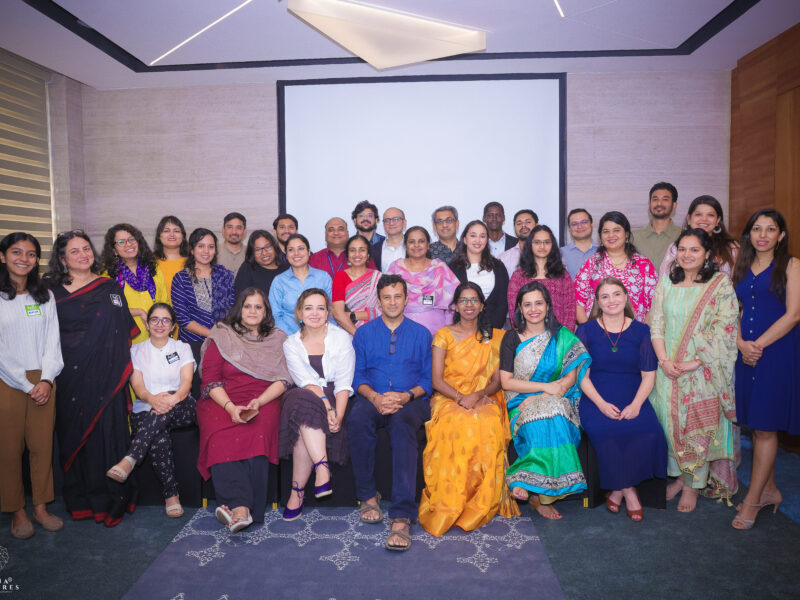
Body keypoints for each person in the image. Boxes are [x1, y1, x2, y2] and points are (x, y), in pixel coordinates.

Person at [46, 230, 138, 526]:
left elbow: (122, 330)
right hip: (68, 377)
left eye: (86, 248)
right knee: (75, 436)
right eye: (75, 251)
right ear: (62, 258)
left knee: (108, 436)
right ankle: (81, 500)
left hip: (107, 377)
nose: (83, 254)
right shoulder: (49, 290)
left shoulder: (109, 286)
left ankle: (112, 500)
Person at [418, 283, 520, 536]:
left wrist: (478, 395)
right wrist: (461, 397)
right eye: (463, 300)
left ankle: (479, 501)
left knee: (486, 422)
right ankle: (452, 500)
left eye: (474, 300)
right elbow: (437, 380)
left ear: (482, 305)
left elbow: (497, 381)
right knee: (455, 424)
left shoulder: (496, 337)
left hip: (484, 396)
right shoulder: (443, 335)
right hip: (448, 397)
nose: (469, 305)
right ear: (455, 306)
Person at [650, 229, 738, 511]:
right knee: (669, 425)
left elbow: (725, 329)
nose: (687, 255)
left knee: (696, 428)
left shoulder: (719, 284)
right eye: (682, 249)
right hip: (667, 368)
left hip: (702, 372)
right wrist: (664, 361)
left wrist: (693, 363)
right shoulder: (666, 282)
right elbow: (657, 324)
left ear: (707, 254)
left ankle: (694, 485)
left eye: (694, 250)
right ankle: (678, 478)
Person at [348, 274, 432, 551]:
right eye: (387, 297)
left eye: (398, 296)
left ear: (406, 299)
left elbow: (428, 381)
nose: (393, 302)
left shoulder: (421, 333)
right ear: (379, 301)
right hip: (373, 397)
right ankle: (368, 496)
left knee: (401, 424)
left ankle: (401, 515)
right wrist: (374, 397)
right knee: (358, 418)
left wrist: (405, 396)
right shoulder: (364, 332)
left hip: (410, 401)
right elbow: (357, 376)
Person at [198, 287, 290, 533]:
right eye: (247, 306)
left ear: (266, 311)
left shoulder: (278, 338)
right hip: (222, 398)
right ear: (239, 309)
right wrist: (229, 407)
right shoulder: (222, 334)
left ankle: (239, 508)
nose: (252, 311)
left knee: (257, 432)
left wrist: (259, 401)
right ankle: (242, 508)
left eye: (258, 306)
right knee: (220, 435)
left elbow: (284, 378)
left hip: (263, 398)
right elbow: (209, 378)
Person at [575, 278, 667, 522]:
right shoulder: (585, 330)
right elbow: (581, 376)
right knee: (606, 431)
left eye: (617, 294)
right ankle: (630, 492)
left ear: (626, 298)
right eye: (605, 296)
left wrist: (636, 405)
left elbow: (649, 375)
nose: (612, 300)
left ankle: (617, 490)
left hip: (633, 394)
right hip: (595, 396)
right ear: (597, 302)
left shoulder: (642, 331)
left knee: (650, 432)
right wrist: (601, 404)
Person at [731, 209, 799, 529]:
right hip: (746, 353)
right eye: (757, 229)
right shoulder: (742, 266)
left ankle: (753, 500)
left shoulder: (792, 265)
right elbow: (736, 309)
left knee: (766, 427)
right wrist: (742, 343)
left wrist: (758, 345)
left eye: (770, 229)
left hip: (777, 353)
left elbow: (793, 315)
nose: (763, 235)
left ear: (781, 235)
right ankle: (770, 490)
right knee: (756, 424)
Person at [500, 281, 591, 520]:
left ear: (548, 306)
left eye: (538, 303)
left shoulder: (562, 337)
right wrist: (542, 388)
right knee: (538, 421)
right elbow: (506, 382)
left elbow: (569, 379)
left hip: (556, 396)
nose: (533, 309)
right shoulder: (511, 338)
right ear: (519, 308)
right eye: (527, 304)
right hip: (519, 400)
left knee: (554, 414)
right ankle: (534, 487)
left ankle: (539, 493)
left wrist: (542, 395)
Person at [0, 233, 64, 539]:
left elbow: (53, 342)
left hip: (44, 380)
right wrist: (27, 385)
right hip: (7, 381)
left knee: (42, 446)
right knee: (9, 450)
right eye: (16, 252)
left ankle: (40, 506)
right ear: (3, 257)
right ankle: (17, 511)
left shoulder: (45, 295)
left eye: (30, 254)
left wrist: (47, 379)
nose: (23, 259)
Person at [105, 303, 195, 518]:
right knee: (159, 435)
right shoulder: (135, 351)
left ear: (173, 326)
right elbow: (138, 388)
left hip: (181, 405)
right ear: (147, 323)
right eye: (155, 319)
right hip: (146, 408)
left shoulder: (182, 348)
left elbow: (186, 384)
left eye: (166, 320)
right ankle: (171, 495)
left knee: (161, 413)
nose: (160, 324)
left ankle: (130, 459)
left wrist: (170, 400)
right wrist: (153, 400)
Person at [280, 289, 355, 520]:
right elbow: (306, 381)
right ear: (299, 313)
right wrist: (326, 405)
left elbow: (344, 382)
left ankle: (297, 492)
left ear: (327, 313)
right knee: (302, 399)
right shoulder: (291, 343)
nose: (315, 313)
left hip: (337, 395)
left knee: (303, 426)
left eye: (321, 308)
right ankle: (322, 467)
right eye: (309, 308)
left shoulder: (342, 338)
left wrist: (338, 415)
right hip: (306, 393)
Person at [171, 228, 235, 397]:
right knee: (197, 393)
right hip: (192, 345)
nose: (206, 251)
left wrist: (221, 336)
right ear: (192, 249)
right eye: (201, 246)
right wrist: (212, 334)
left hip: (222, 344)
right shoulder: (181, 279)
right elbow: (182, 319)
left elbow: (234, 309)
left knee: (221, 390)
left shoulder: (226, 276)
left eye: (211, 246)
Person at [575, 211, 657, 324]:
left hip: (635, 335)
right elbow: (577, 303)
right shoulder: (591, 264)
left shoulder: (643, 264)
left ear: (626, 233)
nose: (611, 235)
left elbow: (654, 304)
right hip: (597, 336)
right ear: (600, 236)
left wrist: (642, 334)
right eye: (606, 231)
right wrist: (589, 333)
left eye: (616, 230)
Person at [101, 223, 169, 345]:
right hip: (125, 339)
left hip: (157, 337)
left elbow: (164, 301)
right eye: (121, 242)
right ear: (114, 250)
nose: (129, 244)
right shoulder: (108, 275)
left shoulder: (153, 268)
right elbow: (108, 308)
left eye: (132, 239)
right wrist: (138, 312)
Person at [386, 226, 460, 335]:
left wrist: (449, 331)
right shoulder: (395, 268)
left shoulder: (439, 268)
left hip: (436, 329)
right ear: (405, 245)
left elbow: (455, 301)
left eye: (421, 241)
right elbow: (385, 300)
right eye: (412, 242)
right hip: (401, 328)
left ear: (428, 245)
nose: (416, 245)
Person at [508, 224, 576, 331]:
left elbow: (570, 310)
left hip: (558, 338)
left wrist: (564, 338)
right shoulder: (518, 276)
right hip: (527, 339)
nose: (542, 246)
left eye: (547, 242)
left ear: (552, 245)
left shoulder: (562, 275)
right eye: (537, 242)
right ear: (530, 245)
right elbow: (514, 310)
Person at [448, 220, 510, 329]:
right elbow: (450, 302)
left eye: (482, 236)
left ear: (487, 240)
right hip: (461, 331)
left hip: (494, 329)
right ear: (465, 239)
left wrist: (492, 328)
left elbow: (503, 302)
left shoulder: (498, 267)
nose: (478, 240)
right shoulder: (453, 268)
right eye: (473, 236)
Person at [659, 195, 738, 277]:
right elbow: (664, 281)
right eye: (698, 214)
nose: (704, 219)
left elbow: (738, 281)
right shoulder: (675, 248)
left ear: (717, 220)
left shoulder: (731, 248)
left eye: (710, 215)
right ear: (689, 219)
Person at [269, 233, 333, 335]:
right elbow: (275, 315)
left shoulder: (323, 277)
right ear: (286, 254)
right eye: (291, 250)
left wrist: (327, 334)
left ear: (308, 252)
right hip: (287, 337)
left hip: (322, 336)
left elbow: (331, 311)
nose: (296, 253)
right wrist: (294, 337)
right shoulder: (279, 281)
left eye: (301, 249)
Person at [331, 235, 381, 335]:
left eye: (362, 250)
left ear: (368, 255)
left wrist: (353, 315)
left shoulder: (378, 277)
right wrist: (359, 335)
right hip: (348, 332)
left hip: (376, 330)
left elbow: (385, 310)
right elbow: (337, 313)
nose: (357, 254)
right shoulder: (340, 276)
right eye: (352, 250)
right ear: (348, 255)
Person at [631, 182, 682, 268]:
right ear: (649, 203)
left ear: (674, 205)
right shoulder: (634, 237)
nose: (659, 204)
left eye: (665, 199)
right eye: (655, 199)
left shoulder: (683, 235)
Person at [233, 230, 288, 299]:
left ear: (274, 247)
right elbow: (240, 299)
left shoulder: (287, 268)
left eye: (267, 247)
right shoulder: (247, 268)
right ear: (252, 253)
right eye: (258, 250)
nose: (264, 253)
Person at [153, 215, 189, 299]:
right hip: (158, 311)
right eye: (166, 231)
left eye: (176, 231)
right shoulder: (150, 263)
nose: (172, 234)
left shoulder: (192, 262)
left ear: (183, 236)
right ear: (159, 236)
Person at [560, 208, 599, 278]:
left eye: (584, 222)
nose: (580, 226)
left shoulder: (603, 251)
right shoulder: (560, 253)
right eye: (574, 224)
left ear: (591, 224)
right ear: (569, 228)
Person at [498, 209, 538, 276]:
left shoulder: (549, 255)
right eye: (519, 223)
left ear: (537, 225)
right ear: (514, 228)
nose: (523, 225)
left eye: (528, 222)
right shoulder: (503, 259)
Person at [373, 207, 406, 271]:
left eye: (396, 219)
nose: (391, 223)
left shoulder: (415, 247)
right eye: (387, 220)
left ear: (404, 223)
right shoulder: (374, 250)